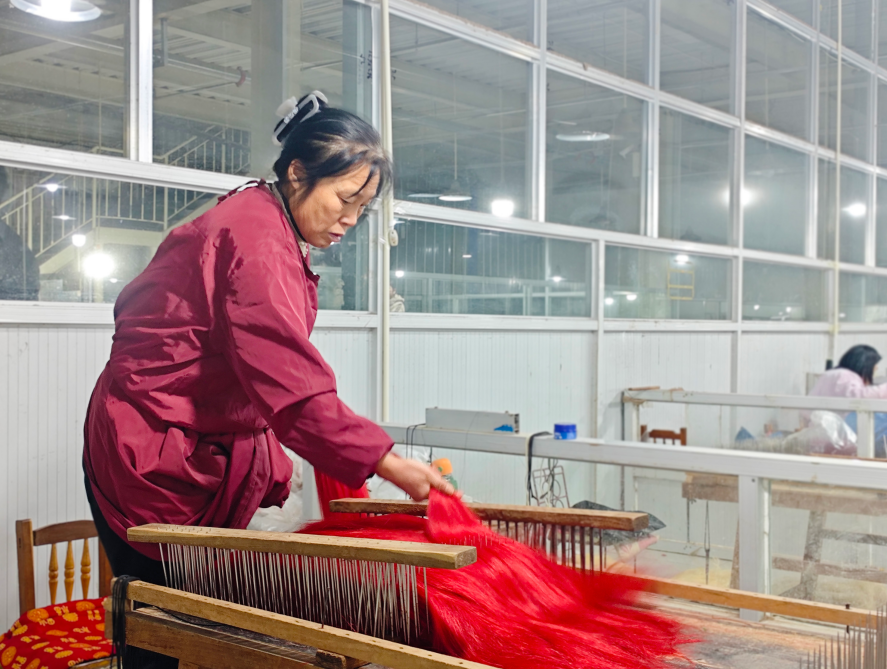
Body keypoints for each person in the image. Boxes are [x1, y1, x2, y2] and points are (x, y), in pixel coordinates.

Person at [82, 91, 454, 590]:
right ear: (297, 173)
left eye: (362, 208)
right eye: (345, 200)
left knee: (204, 606)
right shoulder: (253, 241)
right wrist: (390, 464)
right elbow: (288, 382)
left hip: (200, 439)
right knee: (165, 612)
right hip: (151, 447)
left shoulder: (265, 218)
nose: (351, 219)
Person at [808, 344, 887, 457]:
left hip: (823, 434)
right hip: (836, 438)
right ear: (864, 364)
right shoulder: (844, 375)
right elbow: (859, 398)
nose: (876, 369)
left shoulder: (830, 374)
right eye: (874, 365)